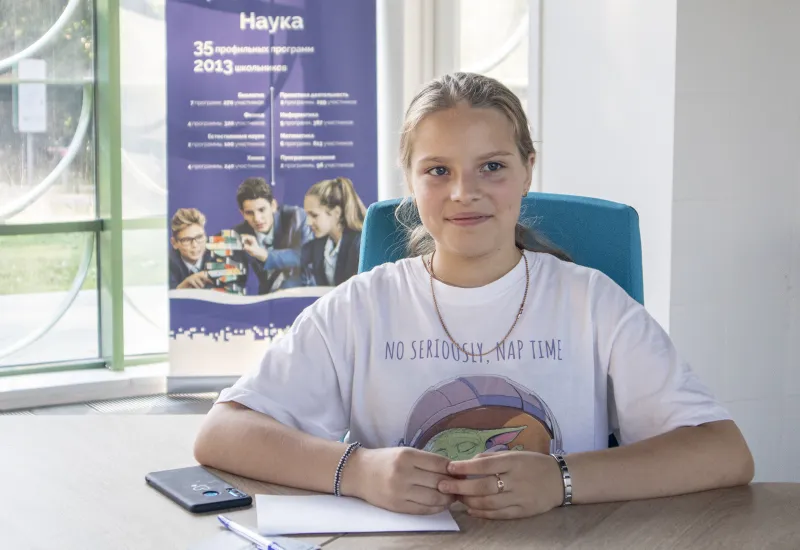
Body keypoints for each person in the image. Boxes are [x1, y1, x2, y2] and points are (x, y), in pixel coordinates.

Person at [195, 73, 754, 519]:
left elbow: (724, 451)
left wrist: (563, 480)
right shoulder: (361, 306)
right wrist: (357, 470)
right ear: (410, 182)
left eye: (492, 166)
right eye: (438, 170)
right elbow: (223, 433)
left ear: (528, 171)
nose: (465, 192)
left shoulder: (591, 302)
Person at [233, 177, 313, 294]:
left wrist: (265, 255)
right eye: (249, 213)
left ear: (273, 206)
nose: (257, 219)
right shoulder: (239, 233)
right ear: (242, 213)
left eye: (262, 210)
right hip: (267, 297)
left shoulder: (296, 217)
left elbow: (306, 256)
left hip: (304, 291)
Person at [301, 177, 367, 287]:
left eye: (314, 215)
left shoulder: (359, 244)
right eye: (307, 215)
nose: (308, 222)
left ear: (336, 212)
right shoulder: (316, 245)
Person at [169, 208, 213, 290]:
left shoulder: (219, 257)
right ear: (174, 243)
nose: (195, 245)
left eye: (199, 237)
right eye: (186, 240)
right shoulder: (167, 264)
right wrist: (180, 288)